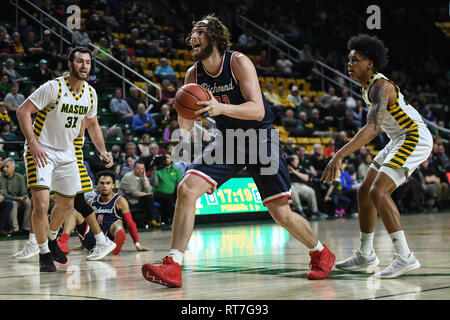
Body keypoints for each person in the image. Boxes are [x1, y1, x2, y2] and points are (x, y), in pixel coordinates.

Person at [142, 15, 335, 288]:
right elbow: (187, 126)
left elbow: (257, 110)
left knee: (281, 214)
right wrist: (181, 121)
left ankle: (320, 252)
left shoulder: (238, 62)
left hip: (260, 139)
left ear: (215, 37)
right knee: (187, 187)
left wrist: (221, 108)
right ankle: (174, 264)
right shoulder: (192, 75)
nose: (192, 37)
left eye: (199, 32)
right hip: (228, 141)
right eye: (192, 33)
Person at [322, 34, 433, 278]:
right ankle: (365, 254)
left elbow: (372, 129)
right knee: (364, 191)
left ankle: (405, 257)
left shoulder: (382, 87)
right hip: (397, 139)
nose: (349, 64)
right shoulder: (367, 87)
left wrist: (338, 155)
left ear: (370, 63)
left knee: (378, 191)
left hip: (413, 136)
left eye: (356, 60)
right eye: (349, 60)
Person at [16, 46, 115, 272]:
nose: (84, 66)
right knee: (41, 204)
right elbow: (23, 111)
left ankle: (51, 238)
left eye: (88, 62)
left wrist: (102, 150)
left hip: (67, 152)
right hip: (42, 150)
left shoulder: (90, 93)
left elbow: (93, 124)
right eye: (79, 61)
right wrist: (33, 144)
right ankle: (43, 253)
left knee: (68, 204)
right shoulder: (53, 87)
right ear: (70, 65)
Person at [57, 171, 151, 255]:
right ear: (97, 185)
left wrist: (137, 244)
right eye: (102, 183)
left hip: (109, 240)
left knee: (118, 223)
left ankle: (117, 242)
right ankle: (63, 242)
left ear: (113, 185)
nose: (104, 186)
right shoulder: (91, 202)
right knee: (75, 212)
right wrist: (83, 245)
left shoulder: (120, 201)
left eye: (108, 183)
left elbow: (130, 223)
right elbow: (81, 223)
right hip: (93, 240)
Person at [118, 160, 160, 227]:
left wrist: (145, 179)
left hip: (138, 200)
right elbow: (134, 193)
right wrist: (147, 194)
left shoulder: (142, 177)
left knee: (150, 198)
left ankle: (152, 220)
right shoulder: (128, 177)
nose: (141, 170)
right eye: (138, 168)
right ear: (134, 168)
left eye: (142, 169)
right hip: (128, 201)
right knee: (149, 196)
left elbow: (149, 189)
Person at [150, 152, 183, 225]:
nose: (166, 160)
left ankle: (180, 219)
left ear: (171, 159)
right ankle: (168, 219)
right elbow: (154, 183)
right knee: (168, 199)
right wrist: (154, 170)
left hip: (172, 193)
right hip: (158, 193)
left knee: (175, 197)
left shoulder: (176, 170)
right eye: (164, 158)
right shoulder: (158, 170)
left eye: (168, 157)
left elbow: (180, 182)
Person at [0, 158, 31, 235]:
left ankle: (26, 228)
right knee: (13, 203)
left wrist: (25, 198)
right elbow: (5, 195)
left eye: (7, 167)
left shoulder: (20, 177)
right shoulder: (1, 178)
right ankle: (15, 229)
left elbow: (24, 192)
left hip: (19, 200)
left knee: (29, 203)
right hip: (11, 200)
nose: (4, 169)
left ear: (13, 168)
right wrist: (18, 198)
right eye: (3, 167)